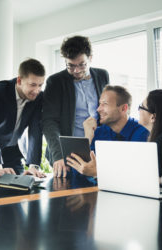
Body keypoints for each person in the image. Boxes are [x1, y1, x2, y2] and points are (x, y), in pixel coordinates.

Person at [43, 35, 109, 178]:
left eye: (82, 65)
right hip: (67, 152)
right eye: (70, 66)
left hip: (99, 150)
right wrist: (58, 155)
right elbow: (49, 122)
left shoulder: (103, 75)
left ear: (90, 58)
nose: (77, 70)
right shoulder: (55, 82)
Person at [66, 85, 149, 180]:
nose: (98, 109)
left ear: (123, 109)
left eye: (104, 104)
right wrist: (88, 137)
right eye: (99, 104)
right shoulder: (99, 132)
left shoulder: (142, 134)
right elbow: (79, 171)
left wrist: (98, 172)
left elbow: (135, 174)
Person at [0, 58, 46, 177]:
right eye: (33, 85)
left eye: (40, 85)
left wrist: (33, 166)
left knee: (22, 185)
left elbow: (35, 130)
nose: (37, 90)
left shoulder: (39, 97)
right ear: (19, 80)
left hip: (12, 150)